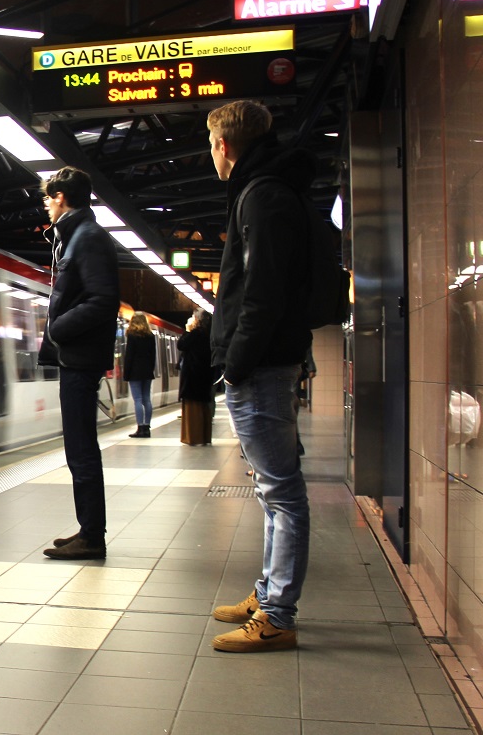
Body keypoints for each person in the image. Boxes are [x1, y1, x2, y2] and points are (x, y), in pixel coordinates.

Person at [207, 99, 316, 652]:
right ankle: (267, 594)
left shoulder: (263, 196)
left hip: (263, 366)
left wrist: (236, 362)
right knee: (270, 489)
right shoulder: (263, 190)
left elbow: (262, 292)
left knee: (282, 492)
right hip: (266, 363)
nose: (211, 155)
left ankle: (276, 614)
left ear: (224, 145)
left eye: (211, 145)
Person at [36, 166, 120, 560]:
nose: (46, 206)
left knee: (82, 449)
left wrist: (57, 330)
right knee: (79, 448)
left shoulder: (86, 238)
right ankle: (88, 529)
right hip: (77, 356)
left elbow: (103, 301)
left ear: (61, 197)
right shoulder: (75, 237)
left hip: (80, 356)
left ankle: (92, 536)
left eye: (48, 198)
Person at [177, 309, 214, 446]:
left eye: (193, 317)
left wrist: (187, 330)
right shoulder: (209, 334)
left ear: (197, 320)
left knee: (193, 409)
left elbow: (181, 345)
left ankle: (193, 437)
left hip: (193, 377)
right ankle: (204, 437)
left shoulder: (195, 334)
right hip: (205, 376)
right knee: (204, 407)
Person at [122, 312, 156, 438]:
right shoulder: (150, 336)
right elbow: (153, 356)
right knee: (147, 399)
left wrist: (127, 373)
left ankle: (140, 427)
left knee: (138, 399)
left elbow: (129, 356)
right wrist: (150, 369)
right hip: (147, 371)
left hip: (135, 372)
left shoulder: (132, 335)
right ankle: (147, 427)